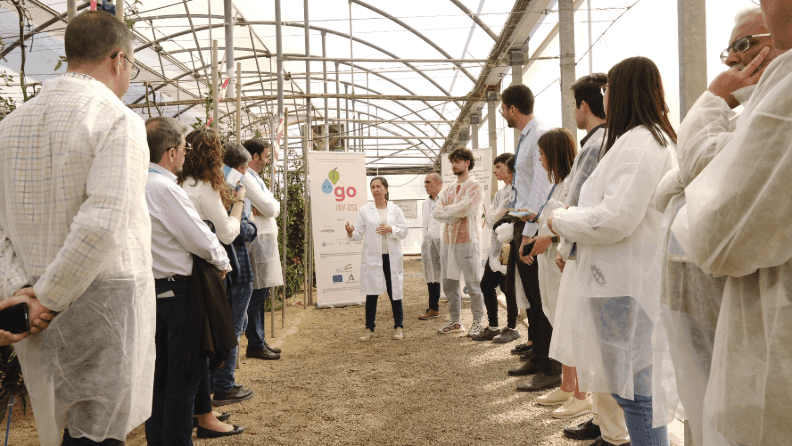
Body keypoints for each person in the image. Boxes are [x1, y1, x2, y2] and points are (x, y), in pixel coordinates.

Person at [0, 11, 153, 445]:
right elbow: (103, 224)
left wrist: (22, 296)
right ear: (118, 58)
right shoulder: (118, 120)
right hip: (99, 300)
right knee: (98, 434)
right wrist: (47, 298)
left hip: (30, 305)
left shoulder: (9, 127)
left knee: (61, 421)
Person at [650, 9, 779, 446]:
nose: (730, 61)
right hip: (711, 302)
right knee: (708, 413)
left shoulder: (774, 104)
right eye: (730, 49)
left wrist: (712, 100)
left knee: (736, 421)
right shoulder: (753, 110)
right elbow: (672, 189)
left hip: (753, 309)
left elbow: (709, 186)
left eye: (744, 45)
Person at [548, 56, 677, 446]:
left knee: (637, 394)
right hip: (617, 282)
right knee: (630, 391)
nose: (605, 98)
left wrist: (561, 220)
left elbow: (617, 217)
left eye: (608, 91)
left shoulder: (642, 144)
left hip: (624, 285)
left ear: (621, 92)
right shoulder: (636, 140)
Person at [142, 116, 243, 444]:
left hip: (154, 290)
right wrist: (222, 261)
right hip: (181, 292)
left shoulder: (138, 185)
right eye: (182, 148)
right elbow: (199, 236)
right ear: (170, 153)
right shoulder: (162, 188)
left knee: (161, 380)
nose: (185, 153)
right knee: (183, 380)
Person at [550, 73, 630, 446]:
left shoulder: (597, 145)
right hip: (591, 252)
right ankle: (602, 420)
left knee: (599, 343)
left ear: (584, 105)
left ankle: (610, 428)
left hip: (590, 255)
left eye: (575, 105)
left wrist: (567, 248)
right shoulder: (606, 141)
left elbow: (580, 203)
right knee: (597, 344)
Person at [178, 129, 254, 407]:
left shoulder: (180, 183)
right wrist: (238, 203)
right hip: (209, 267)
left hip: (187, 267)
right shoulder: (203, 186)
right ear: (214, 155)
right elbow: (226, 233)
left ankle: (204, 404)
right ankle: (215, 394)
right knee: (219, 331)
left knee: (199, 337)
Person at [521, 128, 590, 417]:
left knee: (573, 325)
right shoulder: (558, 183)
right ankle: (567, 384)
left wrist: (551, 237)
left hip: (562, 260)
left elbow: (577, 218)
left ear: (555, 153)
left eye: (542, 153)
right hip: (549, 261)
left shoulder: (575, 180)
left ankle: (582, 393)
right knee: (558, 319)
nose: (539, 159)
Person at [499, 84, 561, 390]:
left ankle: (551, 365)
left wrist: (532, 230)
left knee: (541, 296)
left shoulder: (538, 134)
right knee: (531, 297)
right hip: (523, 221)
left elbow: (541, 183)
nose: (501, 112)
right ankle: (538, 354)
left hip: (531, 222)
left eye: (503, 107)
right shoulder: (526, 137)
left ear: (513, 109)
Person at [346, 177, 408, 341]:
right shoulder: (365, 211)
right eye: (372, 187)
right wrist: (351, 232)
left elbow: (404, 231)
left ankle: (399, 326)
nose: (375, 190)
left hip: (391, 257)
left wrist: (391, 228)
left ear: (386, 189)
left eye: (379, 186)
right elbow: (359, 234)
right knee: (371, 292)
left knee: (394, 291)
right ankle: (369, 327)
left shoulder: (395, 210)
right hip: (373, 257)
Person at [432, 148, 485, 337]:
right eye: (452, 162)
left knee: (473, 284)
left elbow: (467, 208)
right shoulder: (448, 189)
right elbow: (437, 213)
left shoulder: (475, 186)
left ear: (467, 163)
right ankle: (455, 321)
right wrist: (452, 213)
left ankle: (478, 321)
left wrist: (449, 211)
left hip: (468, 241)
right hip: (449, 242)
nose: (454, 165)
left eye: (457, 161)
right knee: (449, 283)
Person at [242, 139, 283, 360]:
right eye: (266, 156)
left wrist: (269, 206)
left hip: (264, 239)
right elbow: (270, 206)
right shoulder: (246, 177)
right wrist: (268, 206)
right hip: (256, 241)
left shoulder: (255, 178)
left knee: (262, 291)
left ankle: (260, 339)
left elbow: (272, 206)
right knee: (256, 293)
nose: (268, 160)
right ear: (254, 156)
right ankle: (255, 343)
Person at [472, 153, 515, 341]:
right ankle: (494, 325)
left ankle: (512, 327)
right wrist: (494, 216)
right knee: (486, 284)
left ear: (508, 167)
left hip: (508, 246)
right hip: (497, 246)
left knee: (508, 288)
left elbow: (498, 218)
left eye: (498, 167)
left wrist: (494, 216)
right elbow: (490, 217)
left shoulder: (517, 190)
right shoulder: (501, 192)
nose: (495, 171)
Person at [418, 173, 443, 321]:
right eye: (425, 183)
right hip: (429, 243)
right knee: (431, 275)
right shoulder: (425, 203)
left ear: (438, 183)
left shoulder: (446, 199)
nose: (425, 185)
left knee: (449, 275)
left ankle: (455, 310)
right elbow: (425, 225)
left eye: (428, 182)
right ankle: (433, 308)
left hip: (444, 242)